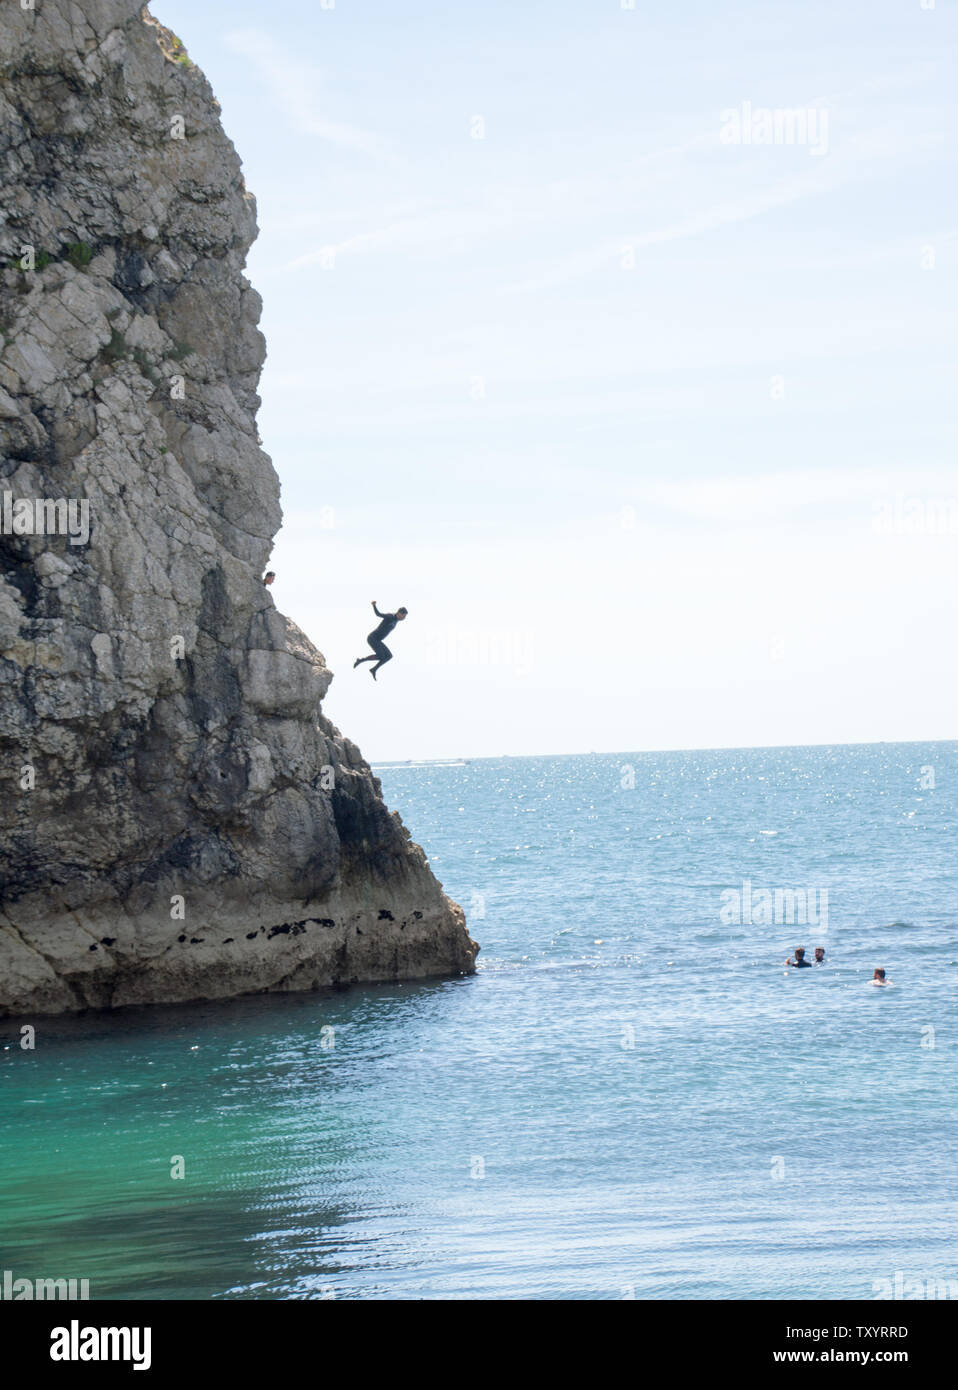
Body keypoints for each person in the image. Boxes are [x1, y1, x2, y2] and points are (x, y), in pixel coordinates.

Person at [353, 601, 408, 680]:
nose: (404, 618)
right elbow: (378, 614)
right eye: (404, 616)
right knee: (381, 656)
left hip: (378, 640)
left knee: (389, 656)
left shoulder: (396, 621)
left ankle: (373, 669)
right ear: (399, 613)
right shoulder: (390, 616)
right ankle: (361, 661)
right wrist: (374, 605)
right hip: (372, 638)